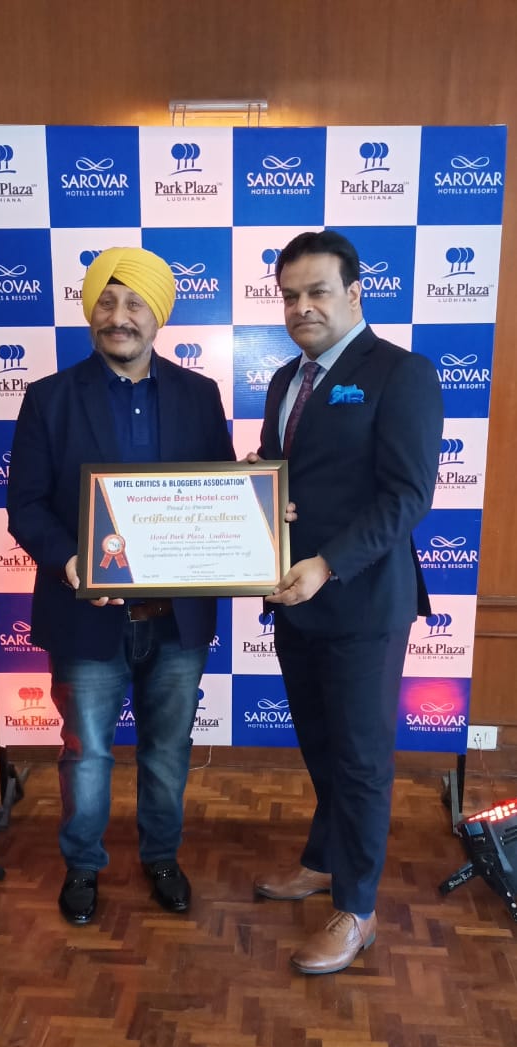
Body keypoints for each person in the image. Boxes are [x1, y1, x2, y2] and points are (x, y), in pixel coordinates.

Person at [7, 246, 235, 925]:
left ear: (158, 314)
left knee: (168, 750)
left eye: (135, 302)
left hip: (178, 621)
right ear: (90, 312)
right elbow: (26, 506)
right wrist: (70, 560)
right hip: (86, 616)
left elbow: (222, 495)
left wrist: (255, 511)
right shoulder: (48, 398)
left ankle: (162, 858)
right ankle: (83, 865)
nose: (119, 316)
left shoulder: (200, 395)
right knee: (86, 754)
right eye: (106, 301)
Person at [253, 230, 444, 974]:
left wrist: (328, 564)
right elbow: (284, 477)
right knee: (321, 746)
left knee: (361, 761)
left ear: (355, 293)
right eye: (289, 295)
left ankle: (357, 909)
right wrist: (255, 490)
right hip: (293, 600)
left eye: (317, 291)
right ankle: (325, 859)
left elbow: (408, 496)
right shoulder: (284, 380)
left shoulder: (402, 372)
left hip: (362, 603)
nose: (301, 307)